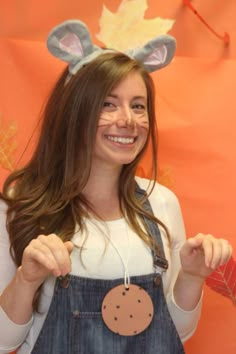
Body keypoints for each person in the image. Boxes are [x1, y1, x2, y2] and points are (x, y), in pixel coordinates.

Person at [0, 20, 232, 354]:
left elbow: (177, 334)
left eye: (138, 105)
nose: (128, 119)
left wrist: (192, 277)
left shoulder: (162, 203)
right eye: (108, 104)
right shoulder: (19, 205)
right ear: (74, 112)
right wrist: (26, 279)